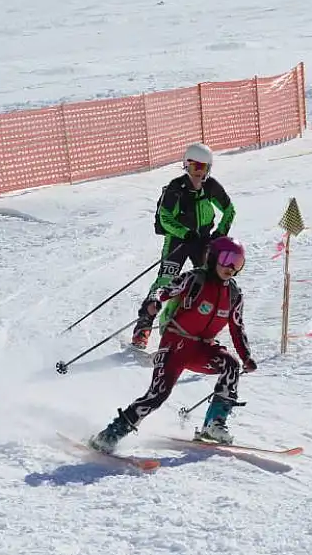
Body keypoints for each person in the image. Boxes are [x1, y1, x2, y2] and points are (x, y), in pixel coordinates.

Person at [90, 236, 258, 452]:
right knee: (158, 394)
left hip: (203, 348)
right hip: (176, 344)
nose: (231, 267)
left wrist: (246, 356)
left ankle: (214, 424)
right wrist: (154, 302)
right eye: (227, 259)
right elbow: (165, 290)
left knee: (231, 366)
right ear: (214, 257)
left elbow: (237, 327)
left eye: (238, 262)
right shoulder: (194, 279)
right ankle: (111, 434)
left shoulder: (234, 294)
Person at [130, 142, 236, 351]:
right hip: (178, 241)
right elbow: (165, 216)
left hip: (203, 241)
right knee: (165, 281)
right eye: (195, 166)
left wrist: (220, 234)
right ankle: (144, 325)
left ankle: (200, 330)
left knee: (210, 283)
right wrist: (184, 233)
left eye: (203, 168)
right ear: (186, 165)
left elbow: (229, 209)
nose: (199, 173)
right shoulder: (175, 188)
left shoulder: (211, 186)